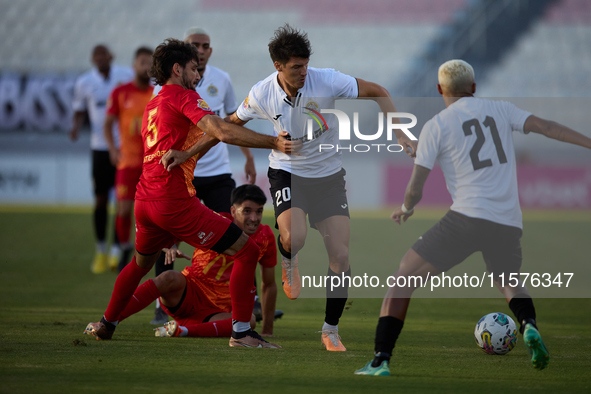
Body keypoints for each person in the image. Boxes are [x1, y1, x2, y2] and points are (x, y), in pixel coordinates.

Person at [162, 24, 417, 351]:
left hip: (328, 177)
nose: (303, 73)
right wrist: (187, 152)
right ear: (278, 66)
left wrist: (399, 132)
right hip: (288, 174)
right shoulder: (261, 93)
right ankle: (288, 257)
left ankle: (330, 329)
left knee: (340, 255)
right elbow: (225, 127)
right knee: (293, 237)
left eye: (305, 65)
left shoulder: (326, 80)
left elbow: (379, 91)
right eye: (296, 67)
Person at [354, 59, 591, 375]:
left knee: (403, 278)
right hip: (507, 220)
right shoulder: (502, 109)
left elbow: (416, 187)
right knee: (509, 279)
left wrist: (406, 208)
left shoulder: (437, 125)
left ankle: (380, 359)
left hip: (467, 217)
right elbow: (546, 127)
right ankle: (528, 324)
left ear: (440, 90)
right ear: (474, 87)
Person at [84, 38, 298, 348]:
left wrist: (189, 153)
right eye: (194, 69)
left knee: (140, 266)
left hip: (146, 200)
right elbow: (222, 131)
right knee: (248, 250)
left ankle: (107, 323)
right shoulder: (183, 96)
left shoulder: (153, 105)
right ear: (177, 69)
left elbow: (215, 131)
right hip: (173, 200)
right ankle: (241, 333)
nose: (198, 76)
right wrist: (273, 143)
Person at [149, 27, 258, 325]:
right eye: (194, 45)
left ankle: (252, 300)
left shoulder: (221, 79)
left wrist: (248, 157)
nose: (200, 49)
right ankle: (162, 305)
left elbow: (232, 119)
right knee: (167, 240)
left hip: (218, 171)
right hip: (182, 174)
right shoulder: (167, 89)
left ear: (211, 50)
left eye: (205, 45)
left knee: (240, 229)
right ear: (183, 54)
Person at [116, 185, 280, 338]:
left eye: (259, 212)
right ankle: (111, 321)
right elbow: (171, 231)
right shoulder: (217, 221)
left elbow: (269, 284)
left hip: (219, 310)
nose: (254, 218)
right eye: (247, 211)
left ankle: (182, 331)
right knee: (168, 277)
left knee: (249, 321)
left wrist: (267, 329)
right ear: (233, 211)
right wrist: (171, 246)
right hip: (190, 292)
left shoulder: (265, 237)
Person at [70, 45, 134, 273]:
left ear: (111, 56)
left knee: (122, 203)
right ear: (92, 59)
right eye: (95, 55)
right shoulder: (84, 82)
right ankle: (100, 250)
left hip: (125, 148)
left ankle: (117, 251)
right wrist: (75, 127)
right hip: (99, 148)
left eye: (103, 54)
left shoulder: (125, 75)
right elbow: (79, 109)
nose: (99, 58)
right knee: (100, 201)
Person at [104, 47, 154, 272]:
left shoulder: (156, 93)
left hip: (150, 162)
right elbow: (107, 123)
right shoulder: (120, 92)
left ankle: (143, 253)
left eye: (149, 63)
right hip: (127, 161)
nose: (146, 67)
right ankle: (122, 247)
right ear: (134, 65)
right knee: (123, 210)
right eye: (142, 62)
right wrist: (113, 149)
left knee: (148, 213)